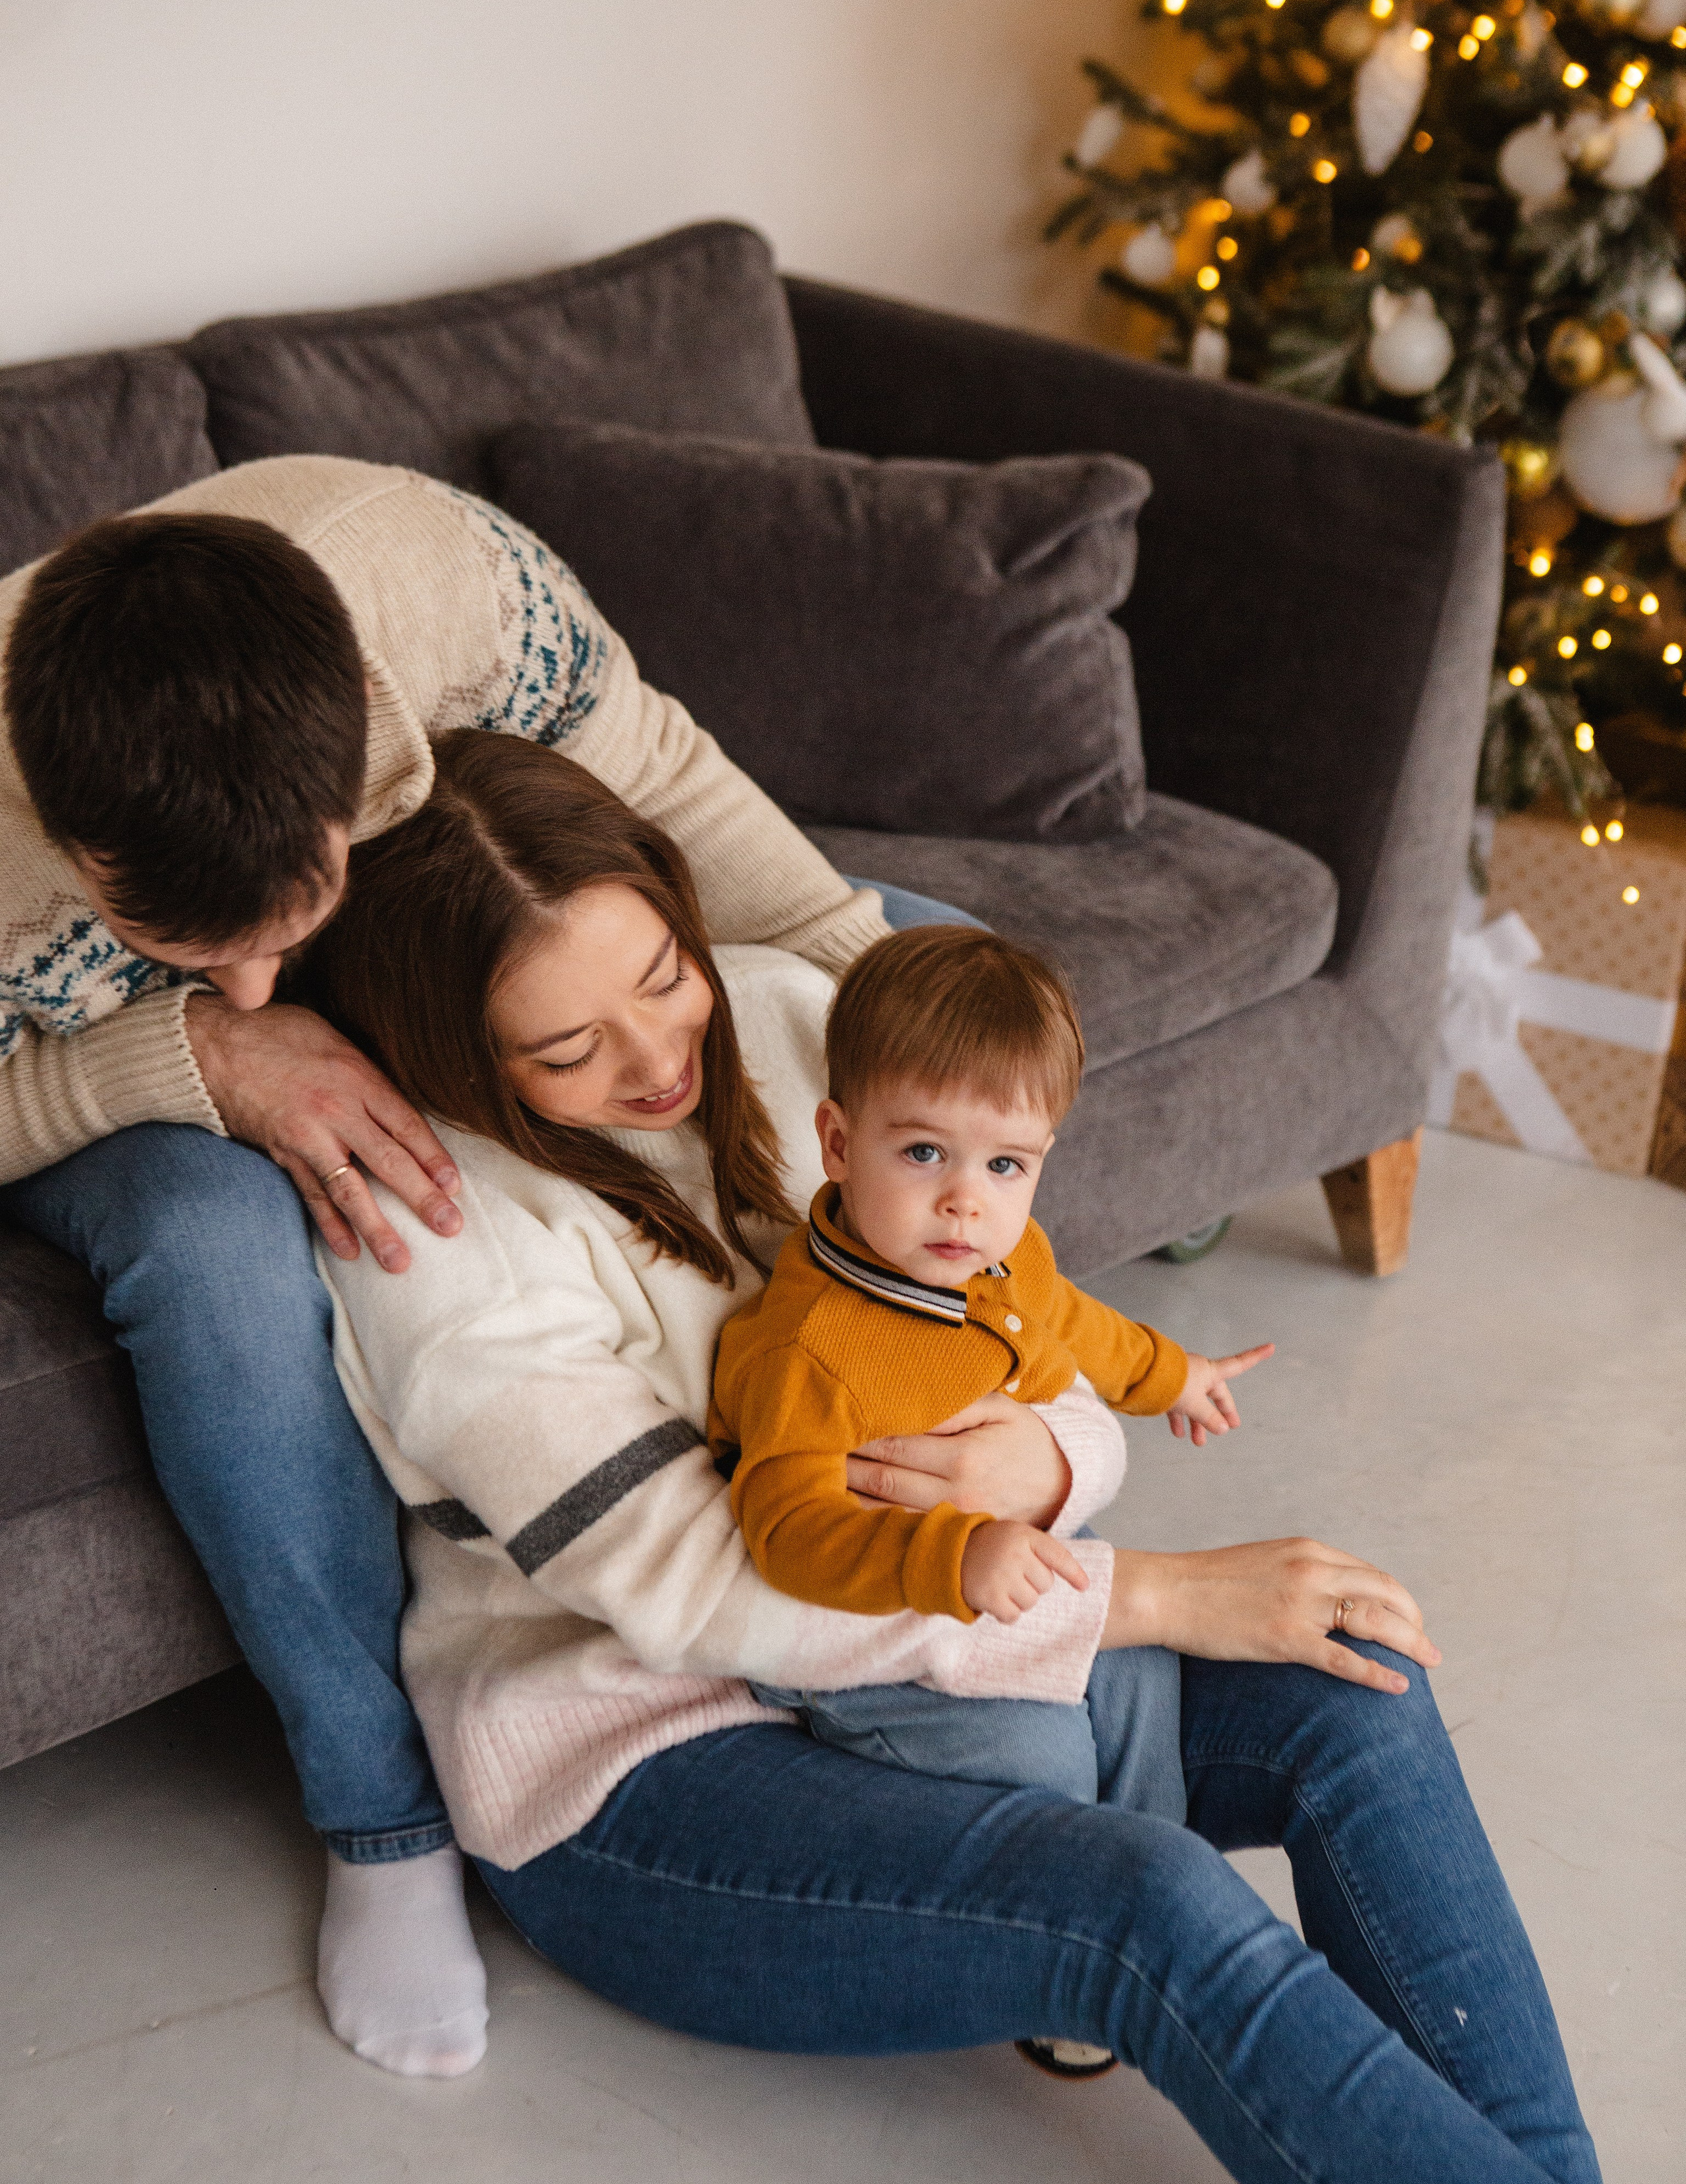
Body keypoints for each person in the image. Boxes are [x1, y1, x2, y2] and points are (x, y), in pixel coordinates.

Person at [310, 730, 1600, 2183]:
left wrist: (1042, 1473)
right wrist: (1150, 1598)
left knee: (1354, 1682)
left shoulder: (807, 1022)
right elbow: (703, 1593)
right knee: (1149, 1902)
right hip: (650, 1768)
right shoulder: (429, 1236)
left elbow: (1028, 1346)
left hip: (951, 1650)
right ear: (455, 1055)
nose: (664, 1055)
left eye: (664, 976)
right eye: (565, 1049)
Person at [0, 458, 970, 2077]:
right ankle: (381, 1825)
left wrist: (880, 996)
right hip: (88, 1083)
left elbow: (653, 762)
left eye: (277, 923)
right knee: (222, 1247)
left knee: (932, 966)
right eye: (194, 943)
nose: (250, 977)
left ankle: (920, 1467)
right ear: (75, 854)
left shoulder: (438, 581)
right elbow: (203, 1019)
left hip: (415, 937)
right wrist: (198, 1054)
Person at [711, 923, 1272, 1828]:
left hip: (990, 1558)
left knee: (1139, 1664)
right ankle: (1066, 1882)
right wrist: (953, 1558)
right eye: (925, 1152)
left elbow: (1076, 1322)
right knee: (1034, 1756)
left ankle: (1154, 1867)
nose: (967, 1201)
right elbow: (788, 1533)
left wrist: (1173, 1375)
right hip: (859, 1621)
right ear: (838, 1141)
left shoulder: (1002, 1256)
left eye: (1006, 1164)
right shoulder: (810, 1347)